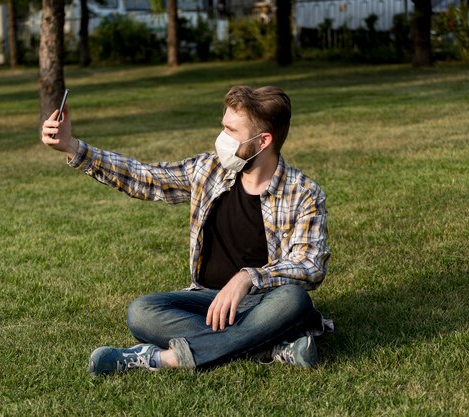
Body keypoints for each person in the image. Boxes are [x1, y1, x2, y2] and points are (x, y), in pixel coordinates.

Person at [41, 86, 330, 375]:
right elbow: (147, 178)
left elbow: (309, 265)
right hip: (205, 301)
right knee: (141, 312)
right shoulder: (209, 169)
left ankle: (162, 359)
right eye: (223, 128)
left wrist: (247, 278)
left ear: (263, 140)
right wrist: (73, 147)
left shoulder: (303, 193)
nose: (223, 139)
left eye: (232, 131)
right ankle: (267, 347)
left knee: (294, 300)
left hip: (264, 302)